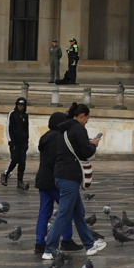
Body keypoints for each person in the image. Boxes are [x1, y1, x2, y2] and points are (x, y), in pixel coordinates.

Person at [50, 102, 105, 258]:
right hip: (70, 176)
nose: (86, 122)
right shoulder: (78, 128)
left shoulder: (63, 128)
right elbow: (86, 153)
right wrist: (93, 145)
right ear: (82, 116)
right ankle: (49, 248)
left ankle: (89, 245)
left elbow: (74, 148)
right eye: (87, 119)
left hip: (61, 175)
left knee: (78, 212)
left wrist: (86, 143)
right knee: (63, 214)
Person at [33, 110, 72, 256]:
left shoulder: (45, 137)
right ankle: (67, 240)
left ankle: (39, 242)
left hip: (43, 180)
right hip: (55, 180)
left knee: (44, 213)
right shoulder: (59, 138)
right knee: (65, 210)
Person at [2, 97, 30, 190]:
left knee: (22, 163)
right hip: (14, 142)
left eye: (22, 105)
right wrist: (11, 141)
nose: (20, 107)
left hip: (23, 143)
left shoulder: (25, 115)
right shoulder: (12, 114)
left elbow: (26, 129)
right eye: (19, 105)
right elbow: (8, 128)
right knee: (15, 159)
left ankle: (20, 182)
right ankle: (6, 174)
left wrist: (27, 142)